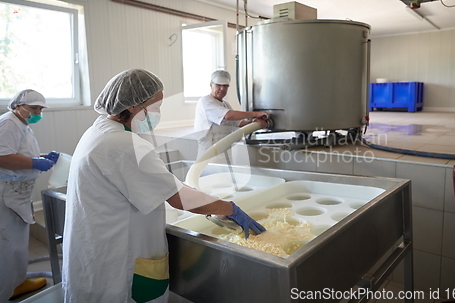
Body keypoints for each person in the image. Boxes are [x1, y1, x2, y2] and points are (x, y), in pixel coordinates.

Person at [62, 69, 265, 303]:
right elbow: (181, 199)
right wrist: (230, 209)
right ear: (133, 106)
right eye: (155, 107)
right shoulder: (123, 145)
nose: (158, 112)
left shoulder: (99, 130)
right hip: (117, 262)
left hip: (98, 250)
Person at [0, 89, 60, 302]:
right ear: (18, 106)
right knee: (8, 246)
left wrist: (41, 157)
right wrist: (36, 163)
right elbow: (3, 157)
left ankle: (18, 281)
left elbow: (18, 153)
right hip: (6, 192)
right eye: (34, 108)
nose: (38, 112)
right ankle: (5, 291)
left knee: (17, 242)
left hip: (17, 191)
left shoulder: (21, 124)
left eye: (40, 109)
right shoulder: (8, 123)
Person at [194, 70, 269, 159]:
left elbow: (239, 123)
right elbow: (228, 116)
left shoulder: (226, 105)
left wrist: (255, 122)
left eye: (225, 86)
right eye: (218, 85)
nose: (222, 88)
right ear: (211, 85)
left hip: (225, 153)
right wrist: (256, 114)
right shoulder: (205, 101)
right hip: (209, 154)